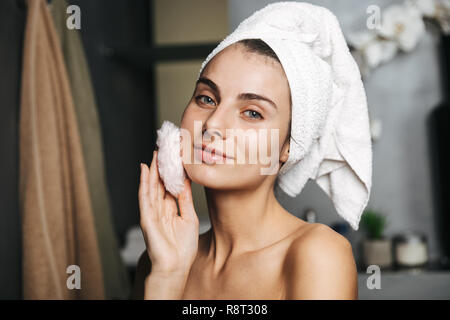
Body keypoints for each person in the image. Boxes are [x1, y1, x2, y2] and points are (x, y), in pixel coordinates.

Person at [132, 37, 358, 300]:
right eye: (206, 98)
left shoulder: (318, 254)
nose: (213, 124)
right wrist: (167, 276)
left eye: (252, 113)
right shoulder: (156, 261)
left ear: (288, 146)